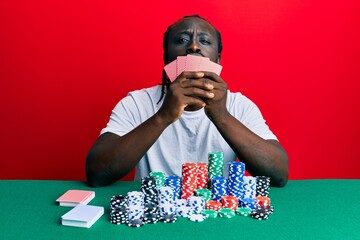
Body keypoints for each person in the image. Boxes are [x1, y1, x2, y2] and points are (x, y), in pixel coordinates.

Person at [86, 15, 288, 188]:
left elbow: (278, 174)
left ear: (217, 60)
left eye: (204, 41)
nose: (193, 46)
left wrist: (222, 116)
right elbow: (97, 173)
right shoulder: (137, 103)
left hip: (215, 213)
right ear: (167, 59)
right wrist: (163, 116)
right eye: (181, 40)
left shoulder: (239, 106)